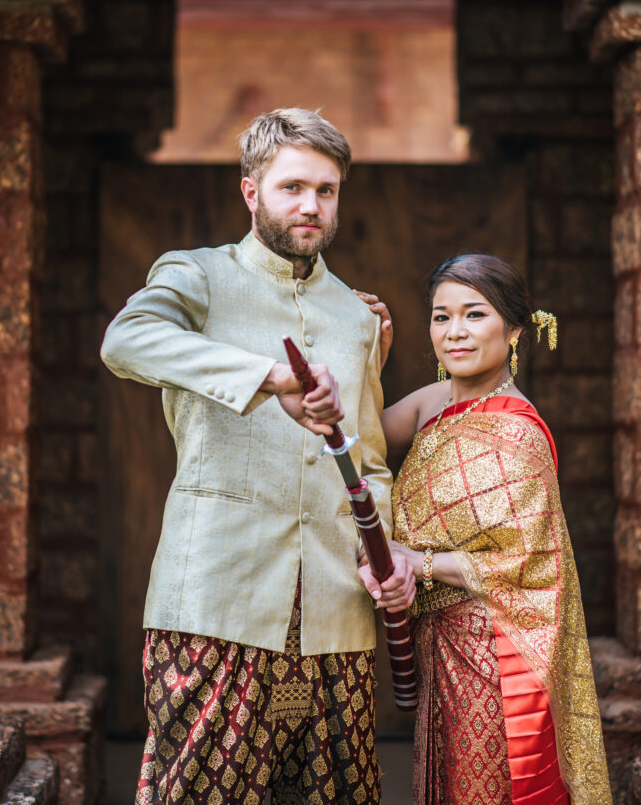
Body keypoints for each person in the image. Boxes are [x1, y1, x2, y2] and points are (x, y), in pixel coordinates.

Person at [100, 108, 414, 805]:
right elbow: (125, 342)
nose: (311, 206)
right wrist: (268, 377)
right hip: (218, 594)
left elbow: (368, 462)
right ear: (251, 192)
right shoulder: (199, 276)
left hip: (337, 608)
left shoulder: (357, 315)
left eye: (326, 190)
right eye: (292, 187)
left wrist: (383, 554)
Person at [358, 253, 612, 805]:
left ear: (516, 328)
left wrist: (416, 563)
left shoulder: (518, 433)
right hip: (436, 643)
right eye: (440, 317)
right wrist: (367, 362)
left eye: (474, 315)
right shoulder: (434, 401)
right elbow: (358, 444)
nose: (454, 333)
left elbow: (524, 561)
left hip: (492, 651)